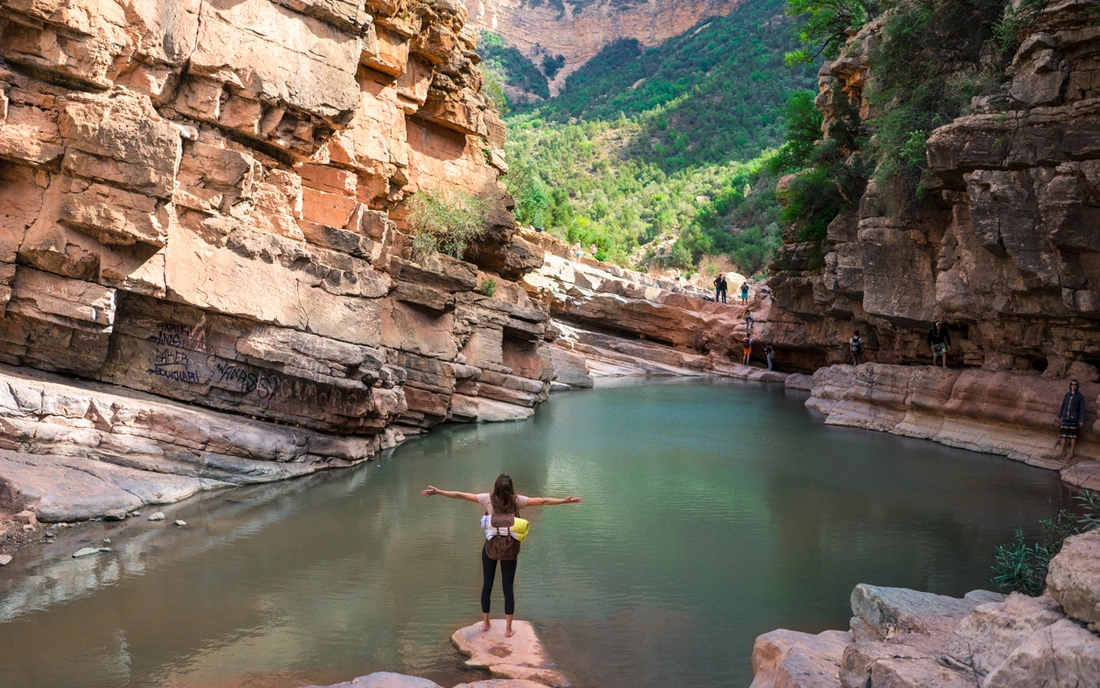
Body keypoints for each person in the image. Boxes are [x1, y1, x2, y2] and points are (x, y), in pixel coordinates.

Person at [421, 474, 581, 638]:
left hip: (490, 548)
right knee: (508, 589)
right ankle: (508, 629)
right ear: (511, 489)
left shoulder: (487, 499)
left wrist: (438, 492)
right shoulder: (517, 501)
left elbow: (461, 495)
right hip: (509, 550)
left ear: (496, 487)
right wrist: (565, 501)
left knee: (487, 585)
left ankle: (485, 623)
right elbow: (543, 500)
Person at [1055, 380, 1087, 457]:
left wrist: (1082, 420)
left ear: (1077, 386)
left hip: (1074, 419)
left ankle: (1071, 453)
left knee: (1073, 436)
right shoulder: (1067, 395)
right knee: (1063, 435)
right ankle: (1062, 451)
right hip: (1065, 417)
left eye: (1075, 385)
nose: (1073, 386)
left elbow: (1082, 409)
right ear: (1070, 385)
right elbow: (1063, 406)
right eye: (1072, 384)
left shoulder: (1080, 396)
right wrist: (1059, 416)